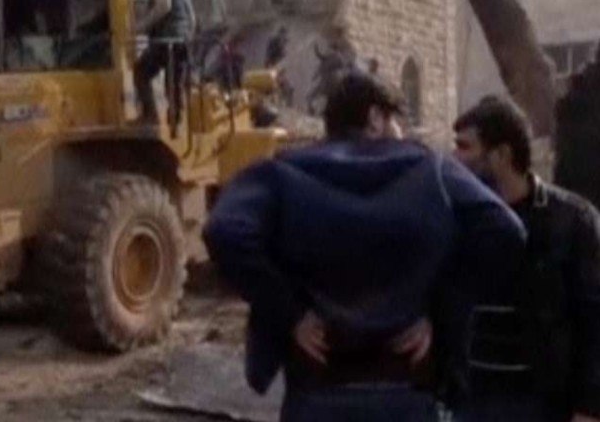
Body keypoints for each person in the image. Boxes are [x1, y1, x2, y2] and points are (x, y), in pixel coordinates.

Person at [204, 72, 527, 422]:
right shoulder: (433, 171)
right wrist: (442, 307)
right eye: (397, 120)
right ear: (375, 118)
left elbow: (224, 229)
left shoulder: (282, 172)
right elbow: (506, 229)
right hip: (405, 392)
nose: (402, 134)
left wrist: (288, 312)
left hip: (315, 392)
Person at [452, 97, 600, 422]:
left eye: (465, 147)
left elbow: (593, 319)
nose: (454, 158)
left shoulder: (571, 220)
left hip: (540, 401)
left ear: (502, 155)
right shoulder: (459, 216)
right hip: (471, 399)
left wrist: (589, 406)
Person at [134, 0, 197, 124]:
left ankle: (150, 115)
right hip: (182, 41)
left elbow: (163, 6)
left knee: (141, 71)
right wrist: (189, 36)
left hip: (166, 40)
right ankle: (176, 118)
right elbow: (192, 17)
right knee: (174, 80)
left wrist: (141, 26)